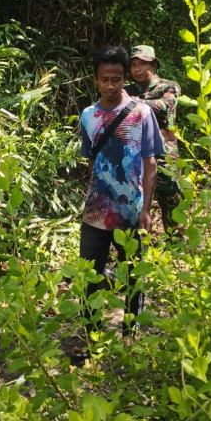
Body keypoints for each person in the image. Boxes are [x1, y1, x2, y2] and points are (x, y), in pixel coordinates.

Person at [78, 45, 164, 343]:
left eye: (117, 78)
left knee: (131, 273)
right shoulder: (88, 115)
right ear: (96, 80)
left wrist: (146, 209)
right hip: (95, 212)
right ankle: (92, 334)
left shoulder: (141, 113)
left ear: (125, 78)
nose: (111, 85)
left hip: (131, 211)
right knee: (89, 273)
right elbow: (91, 160)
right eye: (105, 79)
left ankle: (130, 331)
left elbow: (150, 163)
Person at [125, 44, 183, 234]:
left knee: (172, 204)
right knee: (133, 206)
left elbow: (164, 106)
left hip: (164, 155)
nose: (137, 69)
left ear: (154, 65)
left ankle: (178, 251)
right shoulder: (127, 90)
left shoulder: (168, 86)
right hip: (133, 156)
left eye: (142, 63)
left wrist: (130, 103)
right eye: (133, 65)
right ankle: (137, 254)